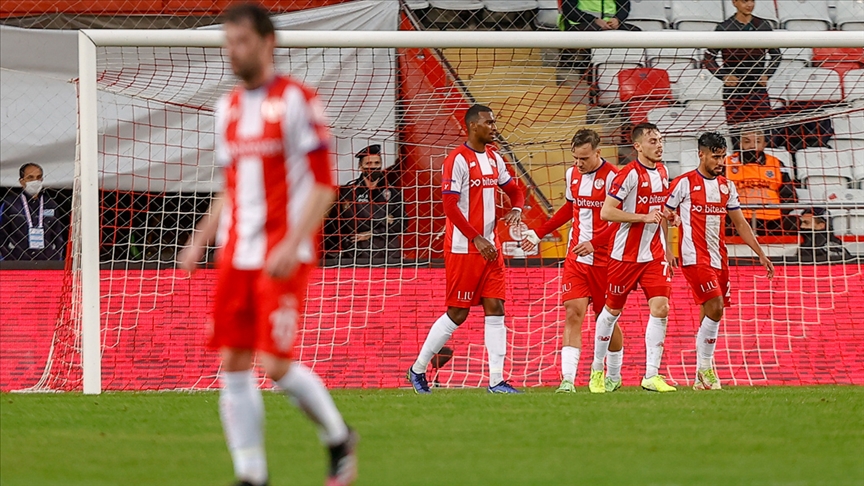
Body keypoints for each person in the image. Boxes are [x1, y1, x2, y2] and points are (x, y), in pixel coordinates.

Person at [176, 5, 357, 486]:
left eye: (242, 41)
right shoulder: (227, 108)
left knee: (275, 364)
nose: (233, 52)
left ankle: (339, 438)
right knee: (232, 362)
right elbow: (230, 186)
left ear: (267, 42)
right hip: (237, 252)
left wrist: (293, 241)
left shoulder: (299, 101)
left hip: (284, 250)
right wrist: (200, 238)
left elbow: (324, 186)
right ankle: (251, 473)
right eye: (228, 42)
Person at [407, 104, 526, 394]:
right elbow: (449, 206)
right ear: (473, 126)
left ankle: (496, 380)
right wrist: (476, 238)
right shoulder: (456, 160)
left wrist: (518, 208)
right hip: (464, 248)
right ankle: (418, 368)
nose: (494, 127)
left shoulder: (495, 158)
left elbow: (515, 190)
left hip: (490, 248)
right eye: (489, 122)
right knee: (457, 313)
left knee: (495, 308)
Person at [665, 132, 775, 390]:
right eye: (715, 157)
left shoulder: (727, 186)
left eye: (722, 156)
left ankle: (699, 377)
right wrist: (667, 250)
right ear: (701, 154)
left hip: (719, 259)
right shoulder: (683, 183)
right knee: (715, 307)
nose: (720, 162)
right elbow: (664, 215)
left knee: (710, 312)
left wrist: (760, 252)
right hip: (694, 257)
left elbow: (740, 223)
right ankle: (706, 369)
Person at [521, 129, 625, 394]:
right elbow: (570, 208)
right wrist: (538, 232)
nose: (579, 164)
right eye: (576, 158)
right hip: (577, 259)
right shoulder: (572, 175)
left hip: (606, 261)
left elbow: (622, 221)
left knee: (606, 319)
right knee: (572, 313)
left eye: (585, 158)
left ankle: (613, 374)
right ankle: (568, 380)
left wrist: (595, 242)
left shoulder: (615, 177)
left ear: (598, 152)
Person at [597, 122, 680, 393]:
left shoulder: (664, 171)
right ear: (637, 146)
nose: (659, 145)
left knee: (661, 308)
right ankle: (600, 370)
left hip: (654, 254)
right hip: (624, 256)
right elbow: (607, 213)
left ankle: (651, 376)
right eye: (653, 141)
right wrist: (641, 217)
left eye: (660, 139)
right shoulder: (628, 175)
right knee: (611, 312)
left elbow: (660, 209)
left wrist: (668, 235)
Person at [703, 0, 782, 126]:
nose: (749, 4)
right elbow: (708, 59)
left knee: (764, 129)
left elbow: (776, 55)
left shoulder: (762, 25)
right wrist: (724, 76)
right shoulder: (724, 28)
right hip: (734, 90)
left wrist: (767, 74)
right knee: (736, 131)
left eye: (752, 1)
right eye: (745, 1)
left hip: (757, 87)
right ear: (734, 2)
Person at [334, 144, 403, 264]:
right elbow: (352, 223)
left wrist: (373, 232)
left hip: (389, 255)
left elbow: (402, 224)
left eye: (377, 163)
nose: (373, 167)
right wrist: (383, 220)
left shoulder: (393, 192)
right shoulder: (349, 192)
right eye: (368, 163)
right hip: (358, 253)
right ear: (360, 166)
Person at [725, 130, 797, 236]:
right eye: (747, 141)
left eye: (757, 142)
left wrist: (781, 212)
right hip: (736, 218)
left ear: (764, 144)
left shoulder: (776, 163)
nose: (752, 146)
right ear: (740, 144)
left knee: (796, 222)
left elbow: (789, 194)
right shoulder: (726, 163)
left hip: (772, 219)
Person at [0, 163, 66, 261]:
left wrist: (56, 257)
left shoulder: (50, 204)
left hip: (47, 260)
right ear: (22, 181)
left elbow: (58, 235)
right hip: (16, 260)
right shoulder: (10, 204)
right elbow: (2, 234)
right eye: (30, 178)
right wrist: (6, 258)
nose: (35, 181)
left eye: (38, 177)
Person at [559, 0, 642, 31]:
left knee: (635, 31)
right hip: (579, 23)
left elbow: (624, 6)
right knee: (594, 30)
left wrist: (617, 19)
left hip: (609, 25)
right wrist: (594, 20)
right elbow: (569, 11)